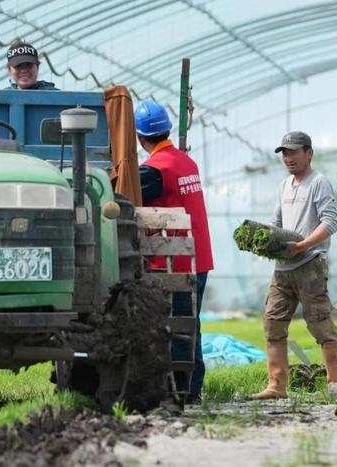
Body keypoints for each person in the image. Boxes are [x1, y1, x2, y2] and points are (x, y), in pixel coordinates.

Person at [250, 131, 337, 400]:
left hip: (310, 265)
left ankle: (335, 385)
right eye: (285, 153)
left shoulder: (319, 182)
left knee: (320, 325)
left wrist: (304, 245)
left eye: (293, 152)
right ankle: (277, 386)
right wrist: (262, 238)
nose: (288, 158)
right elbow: (276, 223)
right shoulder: (284, 186)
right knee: (273, 324)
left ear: (309, 153)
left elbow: (330, 222)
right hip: (282, 269)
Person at [135, 100, 214, 404]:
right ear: (166, 129)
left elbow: (131, 200)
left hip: (177, 259)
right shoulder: (185, 161)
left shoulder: (154, 169)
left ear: (141, 138)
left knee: (179, 325)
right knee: (191, 322)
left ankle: (181, 393)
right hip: (198, 256)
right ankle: (192, 389)